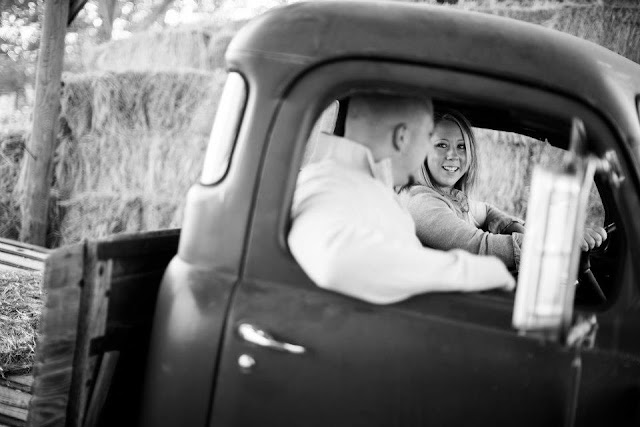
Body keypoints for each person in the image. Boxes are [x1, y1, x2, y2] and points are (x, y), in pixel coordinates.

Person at [288, 94, 515, 305]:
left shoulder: (368, 187)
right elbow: (335, 262)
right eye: (428, 138)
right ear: (402, 137)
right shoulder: (329, 185)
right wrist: (482, 272)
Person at [401, 109, 607, 271]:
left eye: (461, 146)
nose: (452, 155)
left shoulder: (450, 198)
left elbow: (486, 210)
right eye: (441, 145)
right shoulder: (422, 203)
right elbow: (478, 247)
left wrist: (515, 228)